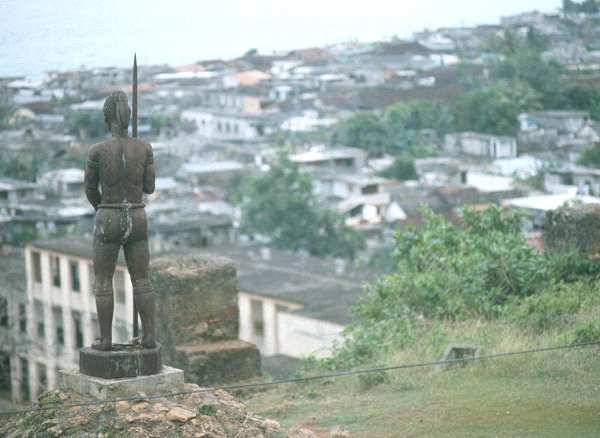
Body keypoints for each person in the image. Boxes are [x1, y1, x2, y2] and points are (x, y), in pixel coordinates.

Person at [84, 90, 156, 350]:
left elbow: (90, 189)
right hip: (137, 215)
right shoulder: (144, 147)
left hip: (109, 215)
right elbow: (149, 187)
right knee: (142, 279)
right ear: (129, 118)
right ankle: (149, 337)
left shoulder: (98, 151)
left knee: (103, 280)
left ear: (107, 119)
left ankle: (105, 340)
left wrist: (102, 209)